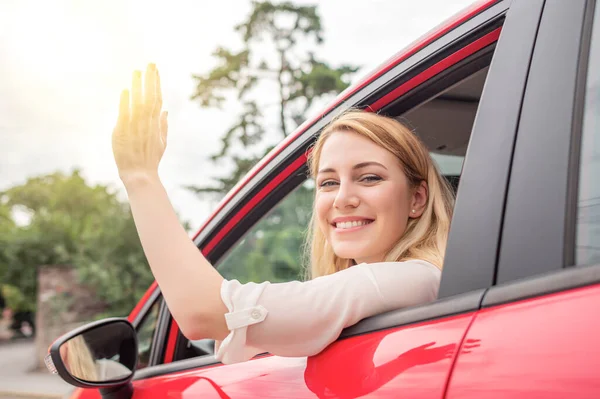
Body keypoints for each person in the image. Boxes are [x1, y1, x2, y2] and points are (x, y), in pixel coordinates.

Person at [111, 64, 454, 365]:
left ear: (417, 199)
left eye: (369, 178)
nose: (344, 199)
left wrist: (140, 178)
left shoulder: (413, 279)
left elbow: (205, 312)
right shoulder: (374, 290)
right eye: (329, 182)